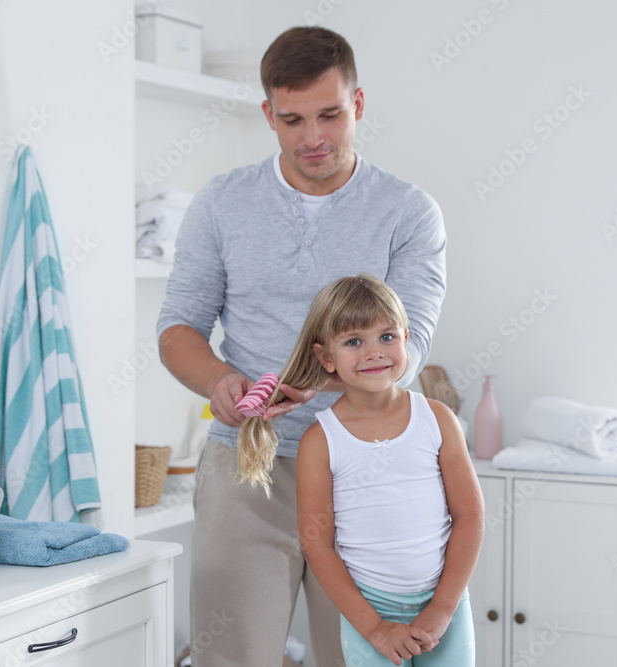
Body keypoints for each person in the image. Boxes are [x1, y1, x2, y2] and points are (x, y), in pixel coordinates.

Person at [156, 26, 447, 666]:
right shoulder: (222, 204)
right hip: (249, 467)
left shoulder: (408, 212)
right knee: (232, 655)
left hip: (365, 470)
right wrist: (219, 384)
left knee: (349, 655)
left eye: (330, 115)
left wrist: (319, 387)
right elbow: (177, 328)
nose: (313, 138)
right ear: (267, 114)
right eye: (291, 120)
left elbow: (411, 345)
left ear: (359, 104)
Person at [238, 274, 482, 666]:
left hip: (446, 606)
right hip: (369, 612)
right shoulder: (321, 441)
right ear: (326, 358)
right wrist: (372, 627)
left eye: (387, 336)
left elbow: (470, 516)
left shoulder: (438, 419)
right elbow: (317, 544)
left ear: (406, 337)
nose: (374, 352)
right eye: (354, 341)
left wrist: (443, 608)